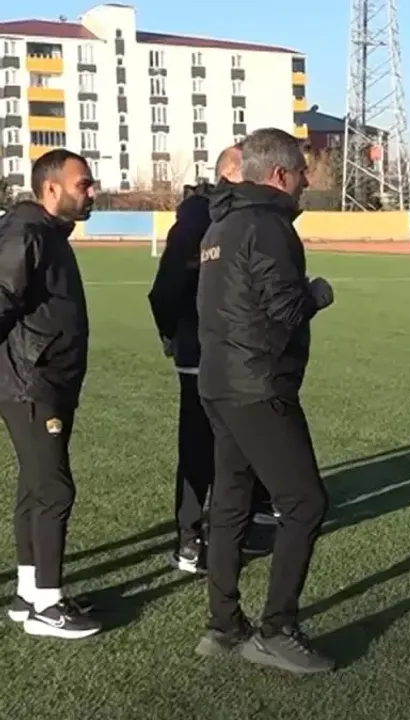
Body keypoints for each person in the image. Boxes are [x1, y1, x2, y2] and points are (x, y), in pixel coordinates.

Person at [196, 128, 335, 674]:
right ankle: (277, 630)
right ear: (279, 175)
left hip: (219, 381)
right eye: (301, 172)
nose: (306, 182)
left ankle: (223, 625)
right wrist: (318, 293)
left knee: (230, 502)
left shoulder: (220, 224)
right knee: (304, 503)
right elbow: (286, 310)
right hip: (258, 385)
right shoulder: (268, 226)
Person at [147, 143, 277, 574]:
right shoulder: (198, 217)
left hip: (243, 351)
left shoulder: (252, 213)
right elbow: (168, 286)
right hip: (203, 351)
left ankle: (249, 519)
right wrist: (173, 333)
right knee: (200, 443)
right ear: (233, 172)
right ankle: (190, 537)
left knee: (246, 438)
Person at [0, 149, 98, 638]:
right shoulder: (28, 233)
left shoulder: (45, 232)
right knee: (55, 490)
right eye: (84, 184)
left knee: (35, 486)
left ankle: (28, 593)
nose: (92, 192)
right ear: (52, 188)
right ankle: (48, 604)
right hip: (33, 384)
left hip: (42, 382)